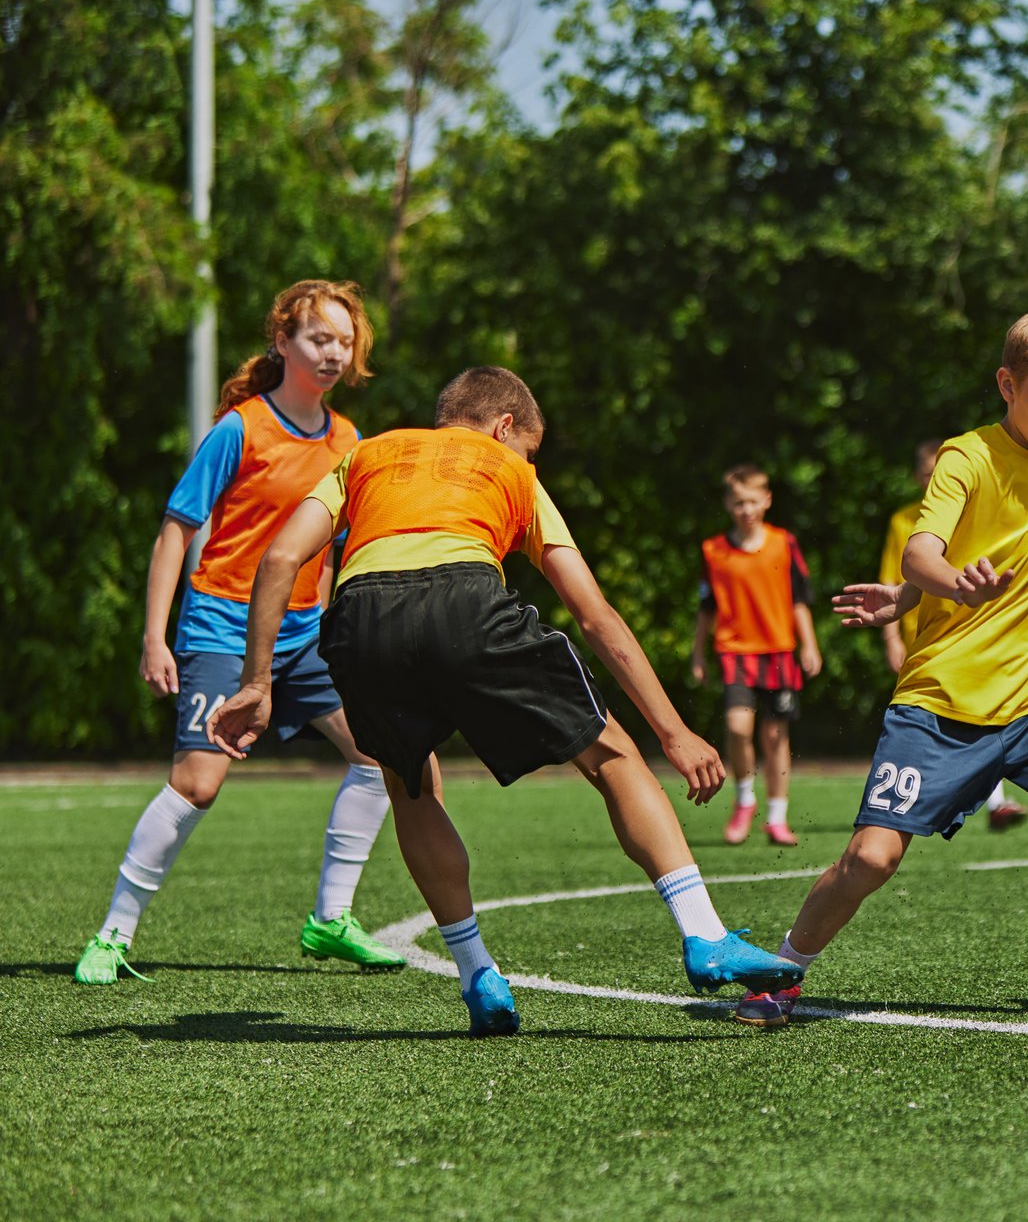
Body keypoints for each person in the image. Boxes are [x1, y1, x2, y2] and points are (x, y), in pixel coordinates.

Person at [207, 367, 800, 1035]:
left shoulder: (366, 453)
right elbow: (593, 612)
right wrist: (673, 730)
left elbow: (281, 560)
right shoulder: (509, 468)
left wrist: (258, 682)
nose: (527, 463)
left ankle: (476, 973)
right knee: (613, 757)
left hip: (359, 618)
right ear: (505, 427)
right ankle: (704, 934)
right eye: (530, 451)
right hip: (464, 595)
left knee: (411, 785)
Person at [733, 310, 1028, 1028]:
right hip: (945, 700)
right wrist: (932, 586)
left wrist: (920, 590)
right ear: (1007, 384)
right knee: (872, 861)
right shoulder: (966, 456)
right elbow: (924, 548)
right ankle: (780, 973)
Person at [74, 280, 406, 985]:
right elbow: (177, 530)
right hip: (222, 626)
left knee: (381, 755)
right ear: (282, 342)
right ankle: (113, 933)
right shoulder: (240, 429)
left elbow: (345, 547)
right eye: (320, 339)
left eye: (346, 342)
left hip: (307, 633)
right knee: (199, 785)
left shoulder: (350, 440)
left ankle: (331, 921)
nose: (335, 354)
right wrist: (154, 637)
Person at [879, 440, 1028, 831]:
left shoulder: (972, 513)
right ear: (918, 478)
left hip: (971, 632)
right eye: (929, 475)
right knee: (930, 723)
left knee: (986, 712)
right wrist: (892, 640)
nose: (935, 482)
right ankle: (910, 802)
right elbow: (895, 580)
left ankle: (993, 802)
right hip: (923, 639)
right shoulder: (902, 521)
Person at [691, 465, 822, 846]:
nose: (745, 509)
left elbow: (800, 600)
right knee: (736, 727)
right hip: (735, 653)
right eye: (737, 503)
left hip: (779, 653)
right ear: (727, 504)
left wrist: (809, 644)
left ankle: (777, 817)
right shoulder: (713, 551)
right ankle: (745, 800)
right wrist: (698, 653)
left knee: (776, 736)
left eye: (751, 501)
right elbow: (706, 608)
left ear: (766, 501)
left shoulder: (784, 543)